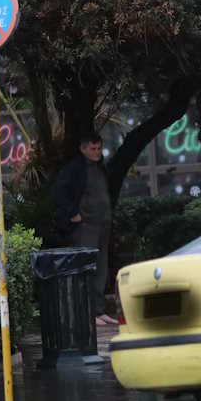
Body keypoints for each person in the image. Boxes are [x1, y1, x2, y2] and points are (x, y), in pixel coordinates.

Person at [51, 131, 117, 326]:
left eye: (99, 148)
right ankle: (88, 312)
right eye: (93, 149)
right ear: (83, 149)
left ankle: (98, 310)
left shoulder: (99, 167)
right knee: (86, 269)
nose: (97, 152)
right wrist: (72, 213)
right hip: (86, 226)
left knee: (101, 269)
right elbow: (58, 192)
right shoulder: (76, 168)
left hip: (102, 224)